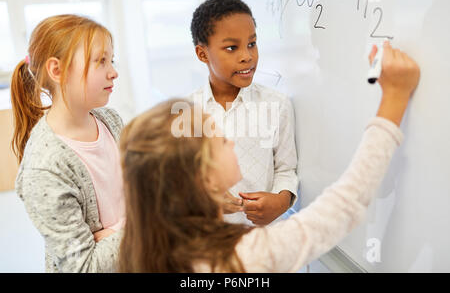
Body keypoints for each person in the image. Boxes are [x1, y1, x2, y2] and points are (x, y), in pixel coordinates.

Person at [118, 41, 421, 272]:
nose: (230, 142)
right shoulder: (244, 256)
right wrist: (393, 100)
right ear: (204, 179)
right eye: (220, 140)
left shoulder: (149, 247)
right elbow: (344, 205)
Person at [11, 14, 124, 272]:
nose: (114, 72)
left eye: (112, 59)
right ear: (57, 70)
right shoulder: (45, 168)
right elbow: (85, 266)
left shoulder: (111, 121)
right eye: (101, 61)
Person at [189, 0, 298, 226]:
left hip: (264, 242)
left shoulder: (277, 105)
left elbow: (286, 169)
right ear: (202, 54)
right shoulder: (188, 113)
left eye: (252, 44)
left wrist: (281, 201)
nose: (247, 57)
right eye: (231, 48)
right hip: (210, 242)